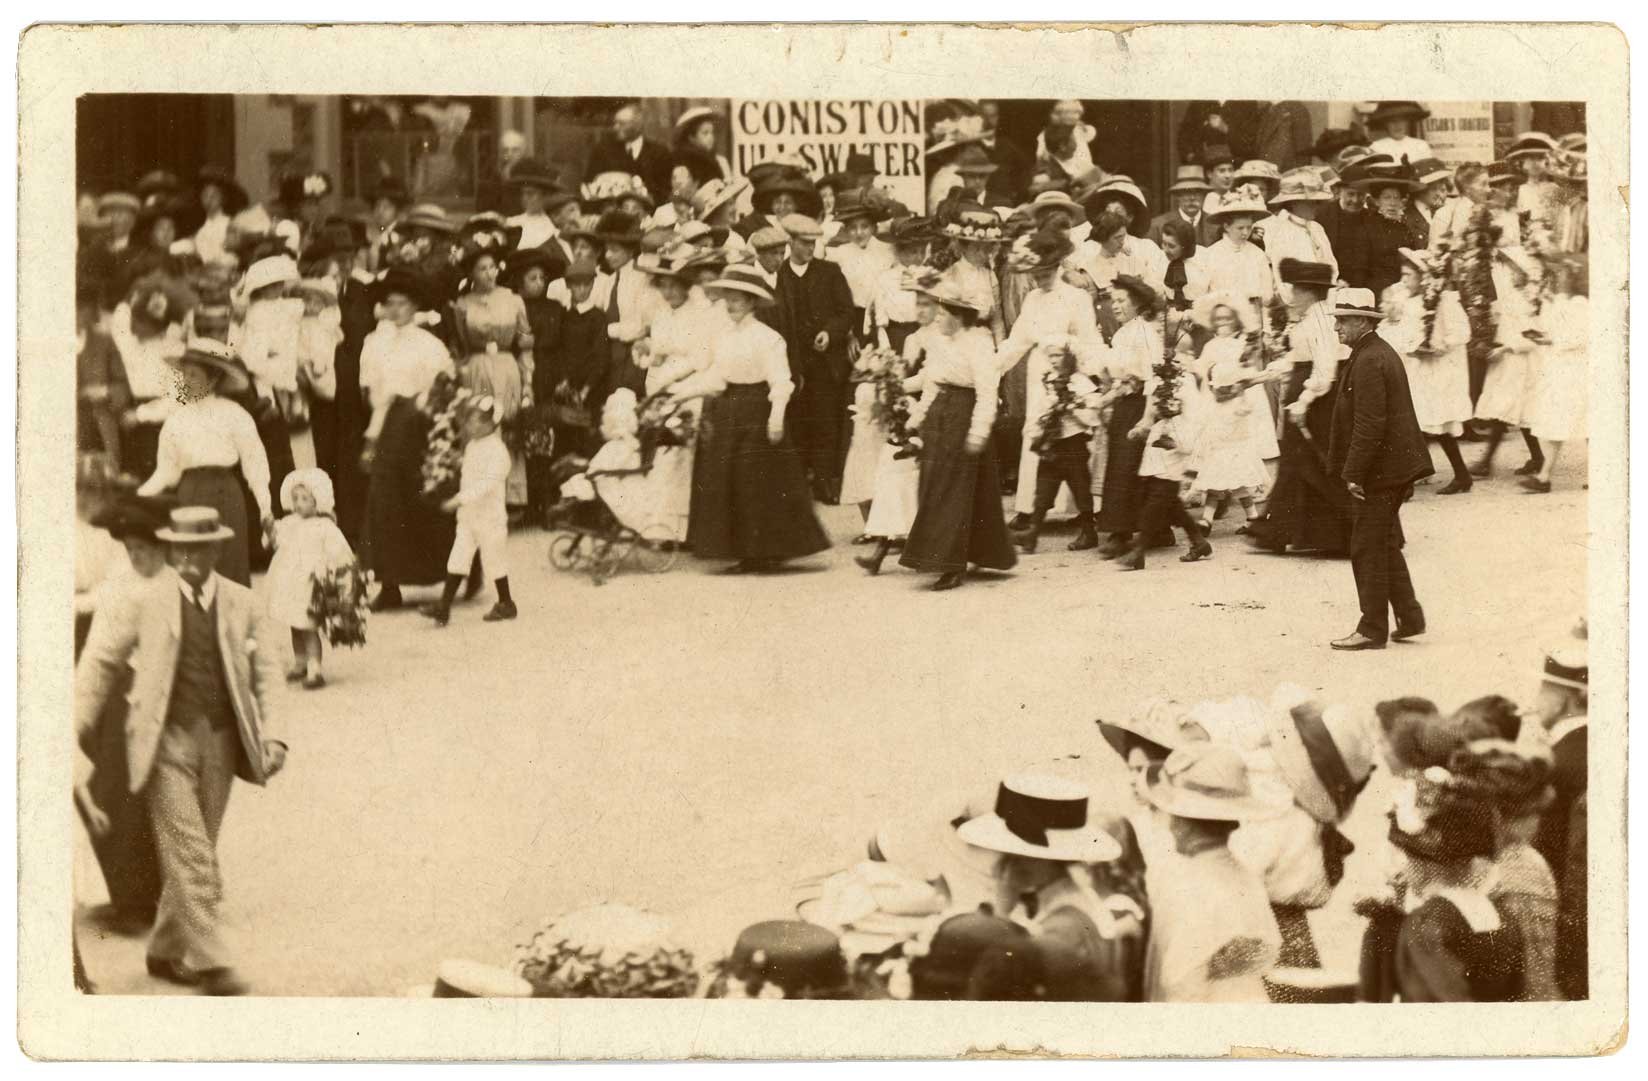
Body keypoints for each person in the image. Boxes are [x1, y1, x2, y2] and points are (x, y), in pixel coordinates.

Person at [73, 505, 288, 996]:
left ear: (216, 549)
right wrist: (73, 726)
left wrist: (274, 735)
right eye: (180, 551)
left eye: (198, 550)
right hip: (163, 742)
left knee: (197, 845)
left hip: (222, 741)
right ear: (171, 549)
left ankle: (165, 950)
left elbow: (268, 672)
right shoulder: (143, 601)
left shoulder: (242, 602)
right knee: (192, 854)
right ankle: (214, 963)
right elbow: (100, 663)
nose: (188, 561)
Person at [668, 264, 829, 573]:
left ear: (752, 302)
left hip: (757, 412)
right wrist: (680, 394)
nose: (731, 304)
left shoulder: (768, 338)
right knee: (729, 482)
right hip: (728, 412)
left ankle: (766, 553)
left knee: (755, 484)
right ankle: (743, 552)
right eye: (728, 298)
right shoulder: (724, 336)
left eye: (738, 299)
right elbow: (716, 379)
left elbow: (781, 381)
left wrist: (776, 416)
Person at [74, 495, 174, 929]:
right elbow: (99, 657)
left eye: (146, 550)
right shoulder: (121, 588)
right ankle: (131, 898)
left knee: (172, 796)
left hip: (175, 699)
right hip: (128, 697)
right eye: (131, 550)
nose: (138, 558)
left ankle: (173, 893)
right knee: (117, 787)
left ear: (166, 547)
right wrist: (78, 716)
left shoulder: (179, 584)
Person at [955, 775, 1146, 1001]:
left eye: (1018, 855)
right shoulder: (1070, 898)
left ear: (1045, 859)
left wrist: (1002, 909)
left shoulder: (1065, 923)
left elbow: (1003, 973)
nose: (1006, 863)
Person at [1239, 688, 1375, 985]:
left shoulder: (1278, 808)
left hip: (1257, 928)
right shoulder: (1306, 812)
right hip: (1291, 929)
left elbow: (1243, 870)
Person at [1326, 287, 1433, 650]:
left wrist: (1354, 473)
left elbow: (1370, 423)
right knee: (1382, 542)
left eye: (1342, 321)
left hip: (1380, 471)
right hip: (1392, 467)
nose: (1337, 327)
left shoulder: (1370, 359)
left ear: (1362, 321)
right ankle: (1410, 617)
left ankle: (1372, 628)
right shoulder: (1374, 352)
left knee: (1367, 547)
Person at [1141, 742, 1286, 1002]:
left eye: (1173, 816)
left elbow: (1180, 984)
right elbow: (1267, 949)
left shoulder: (1191, 886)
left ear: (1184, 822)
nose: (1170, 826)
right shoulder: (1243, 875)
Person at [899, 276, 1016, 591]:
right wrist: (916, 417)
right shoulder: (938, 342)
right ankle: (964, 553)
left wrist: (978, 431)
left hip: (963, 418)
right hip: (939, 419)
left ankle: (950, 564)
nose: (937, 319)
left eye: (942, 313)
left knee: (952, 491)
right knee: (937, 487)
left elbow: (987, 391)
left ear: (959, 316)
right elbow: (931, 383)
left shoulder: (978, 343)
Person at [1372, 779, 1526, 1002]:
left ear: (1420, 864)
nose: (1400, 867)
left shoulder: (1424, 923)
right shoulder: (1505, 917)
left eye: (1403, 855)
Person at [358, 268, 457, 611]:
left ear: (415, 306)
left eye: (403, 303)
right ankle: (390, 584)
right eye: (391, 304)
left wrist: (425, 407)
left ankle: (457, 571)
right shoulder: (376, 344)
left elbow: (444, 386)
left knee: (427, 496)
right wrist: (372, 438)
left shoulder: (429, 345)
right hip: (389, 426)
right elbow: (374, 394)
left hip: (421, 426)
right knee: (385, 502)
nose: (396, 310)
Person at [136, 339, 272, 588]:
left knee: (229, 567)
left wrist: (266, 509)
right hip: (189, 497)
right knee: (194, 568)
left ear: (213, 380)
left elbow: (255, 464)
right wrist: (138, 497)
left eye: (194, 374)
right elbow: (165, 473)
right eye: (184, 373)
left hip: (227, 496)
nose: (186, 380)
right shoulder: (174, 421)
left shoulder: (234, 413)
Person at [994, 231, 1102, 529]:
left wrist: (1088, 369)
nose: (1039, 279)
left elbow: (1088, 340)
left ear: (1056, 267)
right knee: (1038, 431)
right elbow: (1018, 340)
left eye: (1045, 273)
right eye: (1035, 274)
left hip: (1068, 370)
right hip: (1039, 372)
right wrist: (993, 368)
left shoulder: (1077, 298)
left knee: (1071, 436)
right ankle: (1029, 507)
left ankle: (1084, 508)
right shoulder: (1032, 299)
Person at [1447, 741, 1562, 1001]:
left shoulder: (1469, 859)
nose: (1538, 822)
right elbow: (1536, 974)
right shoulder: (1522, 866)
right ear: (1503, 817)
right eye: (1534, 813)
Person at [773, 214, 857, 504]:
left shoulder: (829, 272)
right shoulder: (779, 275)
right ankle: (797, 488)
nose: (810, 248)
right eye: (804, 243)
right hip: (790, 362)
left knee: (824, 422)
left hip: (823, 363)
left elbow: (846, 311)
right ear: (790, 242)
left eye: (813, 243)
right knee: (795, 422)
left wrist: (829, 333)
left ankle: (823, 483)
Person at [1118, 311, 1210, 571]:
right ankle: (1198, 541)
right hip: (1159, 440)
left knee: (1159, 497)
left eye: (1180, 355)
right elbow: (1150, 409)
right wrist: (1142, 427)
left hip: (1177, 441)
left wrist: (1184, 442)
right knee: (1166, 498)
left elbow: (1196, 414)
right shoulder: (1157, 376)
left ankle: (1139, 550)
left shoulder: (1186, 380)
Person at [1380, 247, 1474, 494]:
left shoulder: (1444, 301)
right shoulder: (1407, 301)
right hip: (1417, 368)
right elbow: (1403, 332)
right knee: (1417, 422)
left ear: (1424, 278)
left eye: (1408, 275)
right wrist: (1409, 346)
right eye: (1402, 275)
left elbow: (1463, 332)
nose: (1403, 280)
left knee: (1433, 423)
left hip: (1439, 371)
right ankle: (1445, 476)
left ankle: (1423, 481)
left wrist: (1441, 345)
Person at [1527, 622, 1588, 1000]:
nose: (1536, 698)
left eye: (1544, 688)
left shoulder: (1556, 763)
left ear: (1569, 699)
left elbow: (1545, 849)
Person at [452, 231, 535, 509]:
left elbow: (525, 343)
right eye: (482, 269)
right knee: (480, 425)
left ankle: (511, 497)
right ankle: (479, 496)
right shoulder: (463, 304)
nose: (489, 273)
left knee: (508, 426)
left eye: (492, 267)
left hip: (506, 367)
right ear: (471, 273)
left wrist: (527, 381)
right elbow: (461, 344)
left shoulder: (513, 299)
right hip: (476, 369)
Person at [1090, 273, 1168, 556]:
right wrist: (1105, 400)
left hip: (1142, 405)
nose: (1116, 306)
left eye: (1122, 301)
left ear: (1137, 303)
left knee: (1129, 466)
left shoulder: (1146, 333)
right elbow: (1123, 378)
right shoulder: (1123, 334)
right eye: (1113, 301)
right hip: (1124, 404)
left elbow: (1154, 377)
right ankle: (1157, 529)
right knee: (1125, 466)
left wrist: (1148, 418)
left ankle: (1121, 532)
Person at [422, 395, 516, 626]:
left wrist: (459, 499)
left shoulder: (498, 451)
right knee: (459, 557)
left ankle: (506, 603)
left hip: (490, 517)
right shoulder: (473, 446)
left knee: (493, 559)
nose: (468, 426)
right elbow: (468, 476)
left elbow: (486, 484)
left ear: (489, 424)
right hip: (469, 516)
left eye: (474, 421)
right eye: (469, 421)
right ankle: (444, 606)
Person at [1011, 337, 1103, 554]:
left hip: (1073, 443)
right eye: (1050, 356)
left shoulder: (1080, 382)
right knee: (1044, 489)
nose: (1053, 360)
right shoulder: (1048, 381)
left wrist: (1071, 407)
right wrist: (1038, 429)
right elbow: (1038, 411)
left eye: (1058, 355)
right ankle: (1032, 534)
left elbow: (1092, 415)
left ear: (1069, 356)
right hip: (1052, 443)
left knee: (1080, 488)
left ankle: (1089, 532)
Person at [264, 468, 354, 689]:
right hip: (291, 583)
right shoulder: (289, 522)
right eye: (295, 498)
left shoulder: (324, 526)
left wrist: (339, 577)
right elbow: (276, 543)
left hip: (310, 584)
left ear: (317, 501)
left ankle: (315, 668)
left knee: (308, 626)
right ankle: (300, 661)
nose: (298, 504)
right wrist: (270, 531)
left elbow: (339, 552)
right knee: (294, 624)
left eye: (304, 499)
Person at [1521, 255, 1588, 493]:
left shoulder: (1580, 303)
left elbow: (1582, 337)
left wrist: (1552, 340)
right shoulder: (1558, 302)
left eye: (1562, 275)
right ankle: (1544, 476)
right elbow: (1553, 328)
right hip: (1557, 367)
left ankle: (1599, 472)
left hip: (1576, 368)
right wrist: (1542, 335)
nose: (1558, 280)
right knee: (1555, 421)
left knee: (1584, 421)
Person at [825, 190, 893, 348]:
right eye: (853, 228)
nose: (859, 233)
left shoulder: (887, 251)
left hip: (883, 319)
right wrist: (848, 333)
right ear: (846, 230)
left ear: (874, 228)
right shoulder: (839, 254)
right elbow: (834, 298)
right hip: (851, 320)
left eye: (864, 226)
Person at [1263, 168, 1338, 294]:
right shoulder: (1280, 231)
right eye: (1310, 202)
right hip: (1298, 297)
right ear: (1293, 203)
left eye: (1317, 202)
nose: (1316, 206)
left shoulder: (1317, 228)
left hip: (1324, 294)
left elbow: (1331, 266)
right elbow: (1283, 280)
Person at [584, 103, 672, 206]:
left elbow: (665, 191)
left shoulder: (660, 152)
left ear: (638, 125)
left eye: (622, 124)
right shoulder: (603, 151)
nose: (615, 127)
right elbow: (589, 184)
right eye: (615, 123)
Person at [504, 159, 571, 251]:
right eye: (523, 193)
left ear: (544, 196)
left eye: (530, 194)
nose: (525, 198)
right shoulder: (511, 223)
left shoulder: (551, 229)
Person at [1148, 165, 1213, 249]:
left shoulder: (1215, 225)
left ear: (1204, 195)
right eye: (1186, 192)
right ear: (1177, 196)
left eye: (1197, 192)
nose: (1192, 198)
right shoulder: (1158, 226)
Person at [1405, 158, 1452, 251]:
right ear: (1419, 190)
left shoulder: (1446, 214)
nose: (1440, 195)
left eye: (1443, 190)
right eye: (1434, 189)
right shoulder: (1406, 218)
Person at [1366, 101, 1434, 164]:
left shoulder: (1421, 145)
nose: (1397, 125)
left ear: (1407, 123)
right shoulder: (1376, 147)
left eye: (1401, 120)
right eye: (1392, 121)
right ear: (1385, 124)